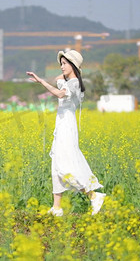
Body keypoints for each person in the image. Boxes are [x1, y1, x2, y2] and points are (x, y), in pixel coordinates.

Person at [26, 50, 105, 216]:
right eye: (60, 64)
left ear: (73, 65)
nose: (61, 67)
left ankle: (94, 195)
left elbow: (59, 93)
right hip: (61, 124)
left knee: (66, 164)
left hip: (67, 125)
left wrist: (41, 81)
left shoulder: (74, 82)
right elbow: (58, 81)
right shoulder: (68, 81)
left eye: (64, 64)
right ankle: (57, 207)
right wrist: (59, 78)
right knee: (56, 164)